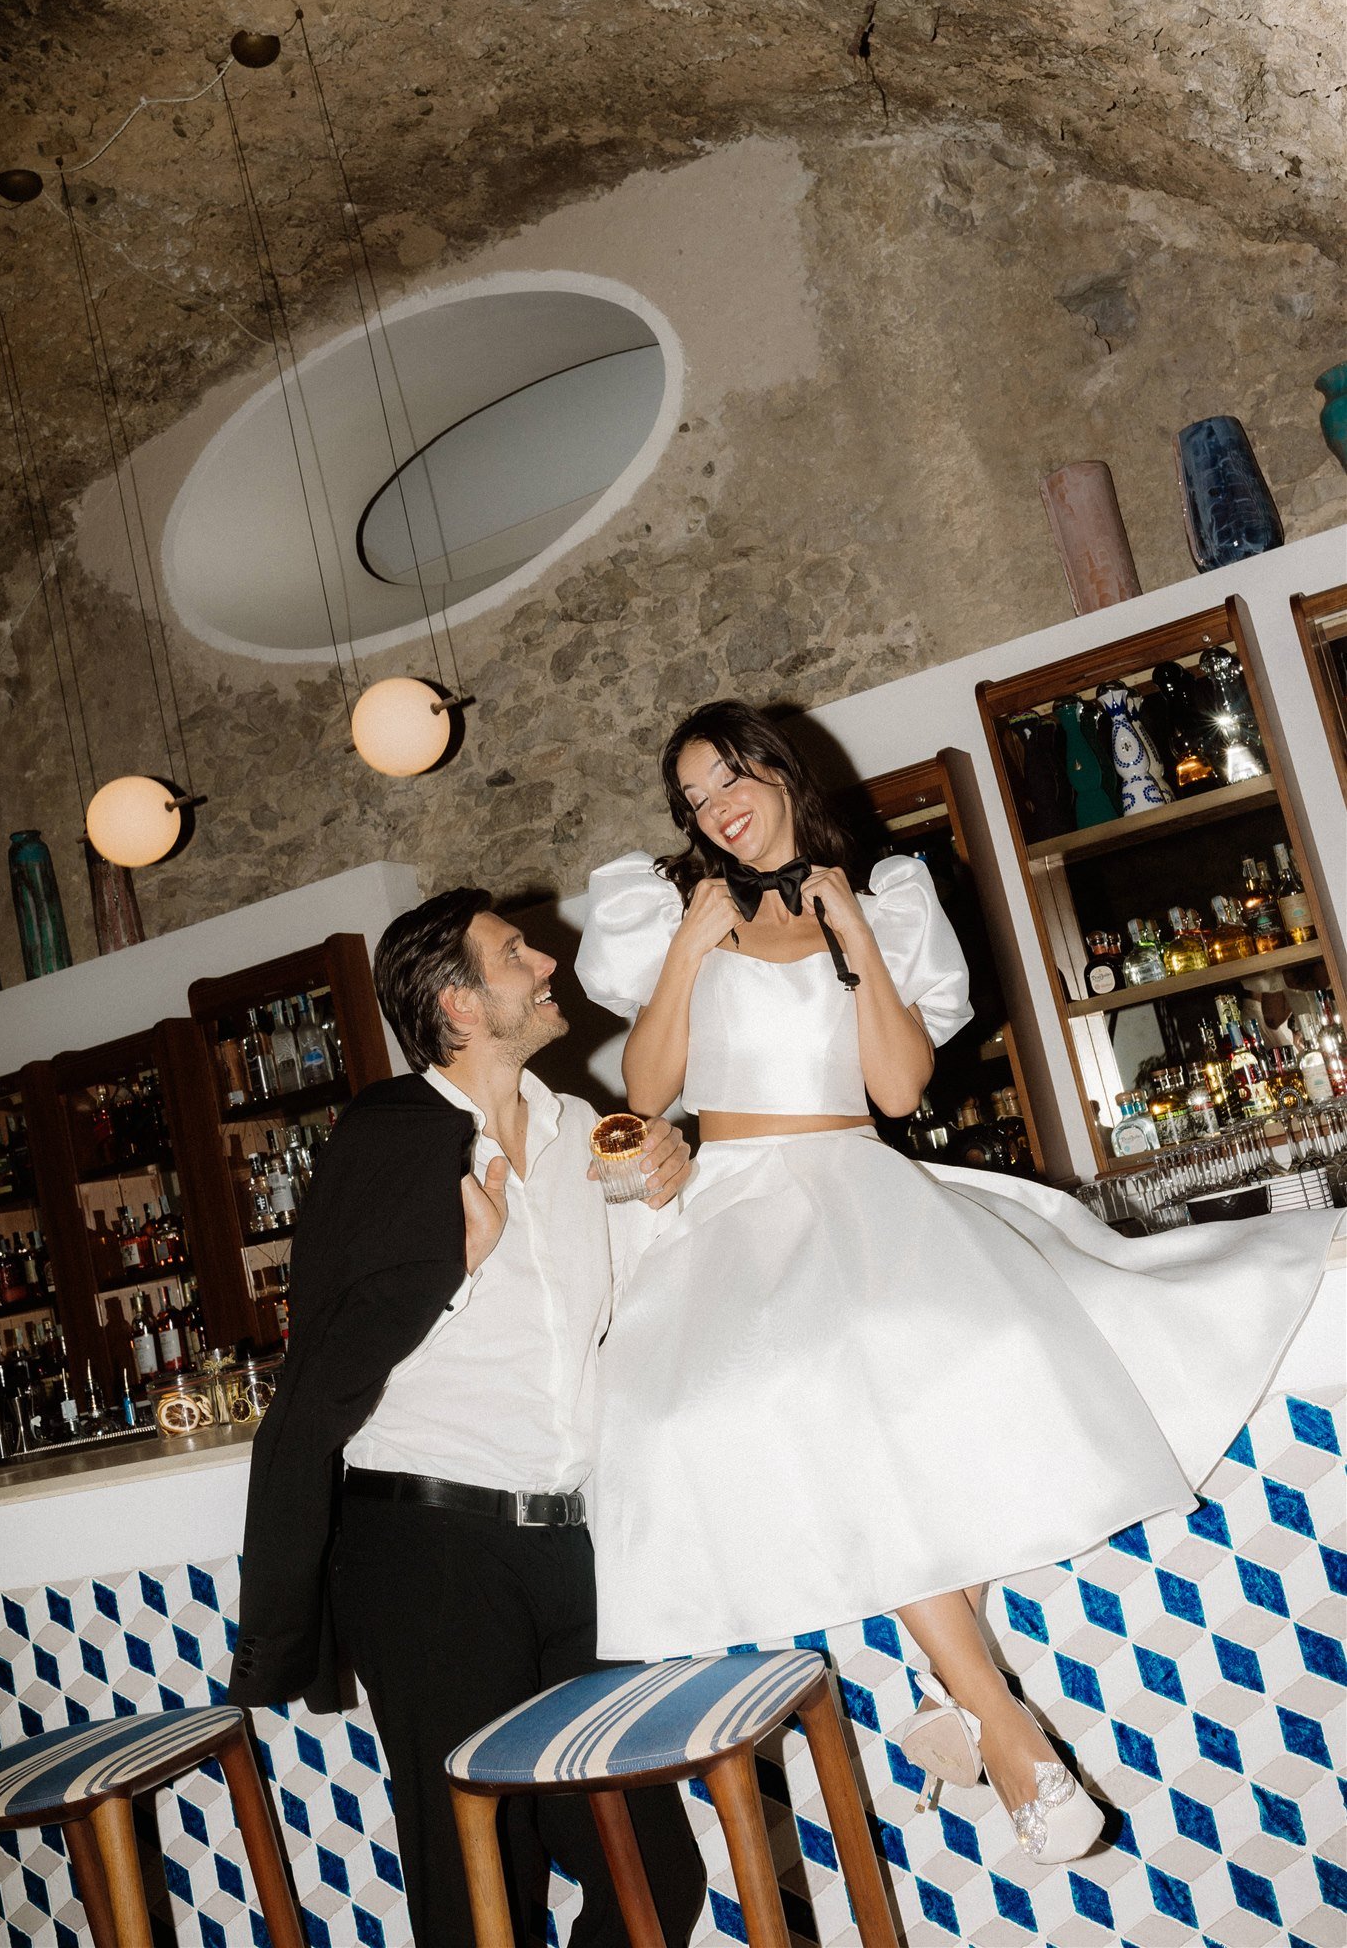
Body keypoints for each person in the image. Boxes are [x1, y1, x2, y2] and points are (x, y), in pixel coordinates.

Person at [574, 698, 1341, 1868]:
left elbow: (895, 1090)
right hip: (734, 1202)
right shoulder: (679, 914)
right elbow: (646, 1084)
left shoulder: (881, 900)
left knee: (963, 1368)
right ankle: (998, 1717)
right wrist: (686, 948)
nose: (717, 806)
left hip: (856, 1177)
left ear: (778, 771)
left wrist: (853, 931)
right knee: (825, 1397)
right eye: (694, 797)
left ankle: (964, 1701)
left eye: (729, 776)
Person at [229, 889, 706, 1948]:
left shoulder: (580, 1129)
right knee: (480, 1891)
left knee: (652, 1879)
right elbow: (336, 1352)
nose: (547, 962)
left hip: (569, 1546)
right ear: (458, 1002)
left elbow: (635, 1309)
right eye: (515, 952)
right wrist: (457, 1264)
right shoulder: (387, 1136)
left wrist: (664, 1193)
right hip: (428, 1551)